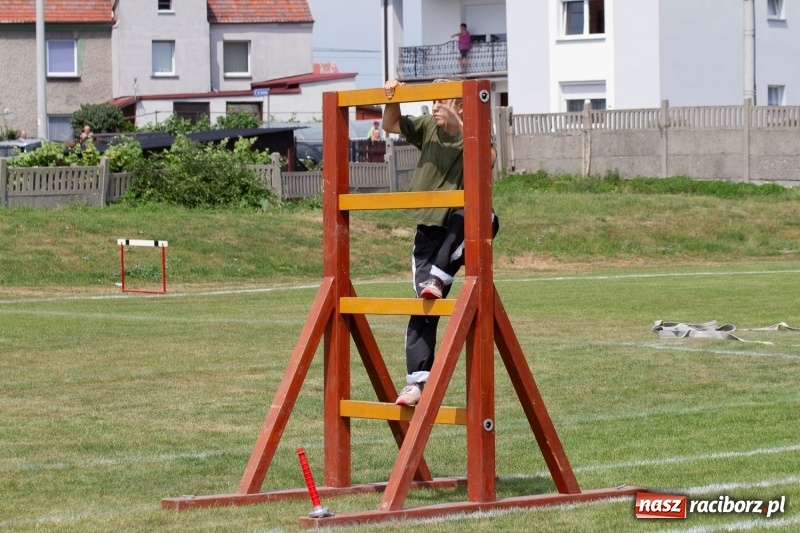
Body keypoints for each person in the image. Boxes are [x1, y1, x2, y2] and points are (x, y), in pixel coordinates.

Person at [382, 79, 499, 407]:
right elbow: (389, 123)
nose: (434, 108)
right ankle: (416, 384)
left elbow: (487, 159)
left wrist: (459, 123)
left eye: (441, 102)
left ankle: (439, 276)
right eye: (432, 102)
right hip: (428, 232)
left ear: (460, 106)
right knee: (423, 306)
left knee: (478, 216)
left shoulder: (472, 129)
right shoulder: (426, 127)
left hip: (460, 226)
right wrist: (394, 94)